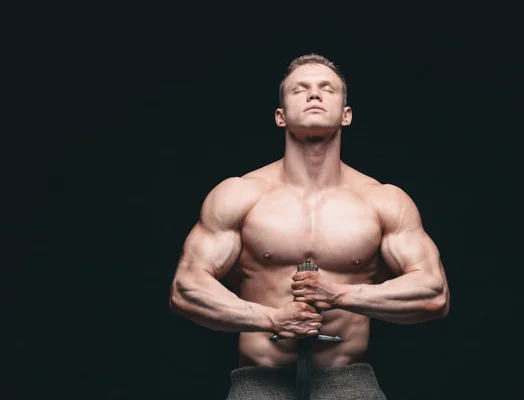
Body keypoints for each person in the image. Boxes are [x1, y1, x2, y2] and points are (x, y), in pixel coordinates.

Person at [169, 54, 450, 399]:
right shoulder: (239, 195)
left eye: (326, 89)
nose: (314, 95)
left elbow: (434, 293)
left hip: (348, 382)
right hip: (260, 382)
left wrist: (340, 295)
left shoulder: (382, 201)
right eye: (300, 89)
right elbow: (186, 289)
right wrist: (271, 319)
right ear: (280, 115)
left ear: (346, 115)